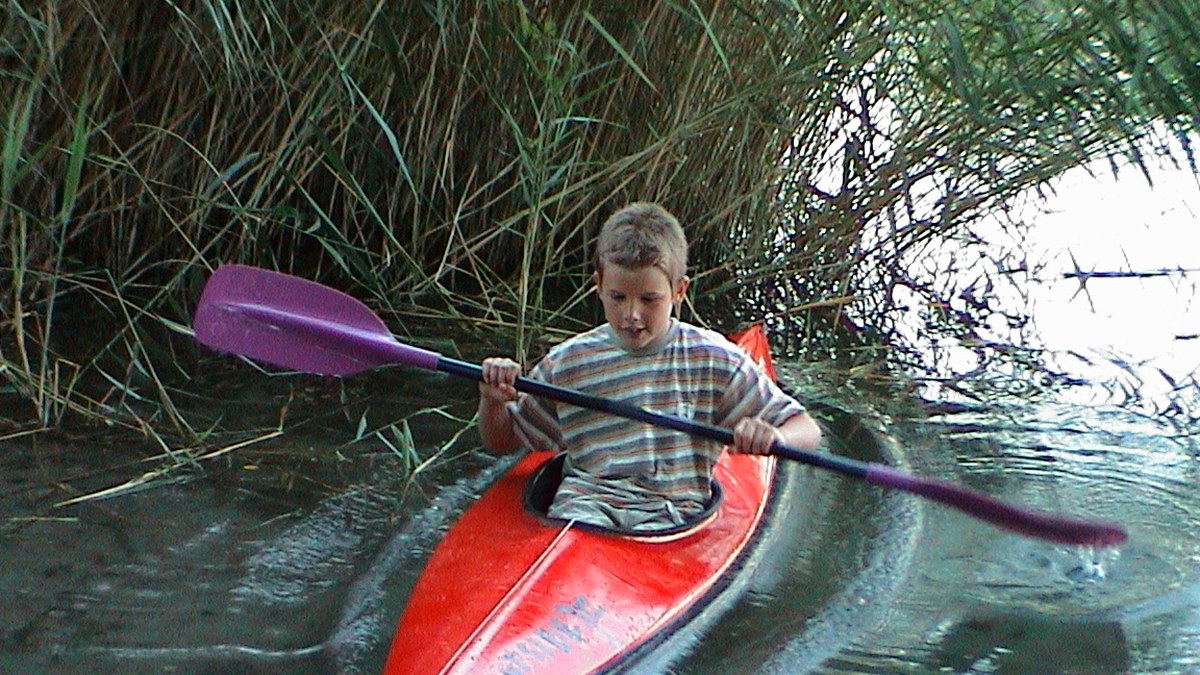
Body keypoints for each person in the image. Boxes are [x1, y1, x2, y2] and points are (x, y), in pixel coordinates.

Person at [478, 202, 823, 531]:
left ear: (679, 291)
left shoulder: (714, 360)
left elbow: (807, 429)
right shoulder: (568, 362)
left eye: (649, 299)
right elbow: (502, 440)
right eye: (618, 297)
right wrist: (493, 399)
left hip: (673, 516)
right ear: (598, 285)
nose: (632, 314)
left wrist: (775, 436)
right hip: (584, 509)